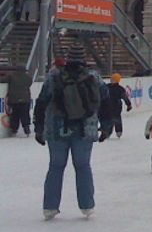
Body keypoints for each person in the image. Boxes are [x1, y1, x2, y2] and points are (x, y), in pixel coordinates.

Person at [33, 42, 112, 220]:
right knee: (83, 166)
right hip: (85, 129)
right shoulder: (94, 77)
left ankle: (50, 207)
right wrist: (107, 125)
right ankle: (87, 205)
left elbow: (41, 102)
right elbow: (106, 102)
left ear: (68, 58)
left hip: (57, 129)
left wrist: (39, 127)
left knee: (55, 166)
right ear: (84, 59)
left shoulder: (53, 76)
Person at [5, 64, 33, 136]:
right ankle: (26, 129)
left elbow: (4, 80)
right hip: (25, 99)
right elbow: (30, 83)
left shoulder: (11, 76)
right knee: (25, 114)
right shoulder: (28, 77)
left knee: (15, 115)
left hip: (14, 99)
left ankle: (14, 130)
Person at [107, 73, 132, 138]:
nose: (111, 80)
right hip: (108, 105)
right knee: (108, 119)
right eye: (111, 79)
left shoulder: (120, 89)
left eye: (113, 79)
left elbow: (125, 97)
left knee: (117, 119)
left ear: (117, 80)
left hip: (116, 106)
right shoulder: (107, 86)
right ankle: (107, 132)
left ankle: (119, 131)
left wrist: (128, 105)